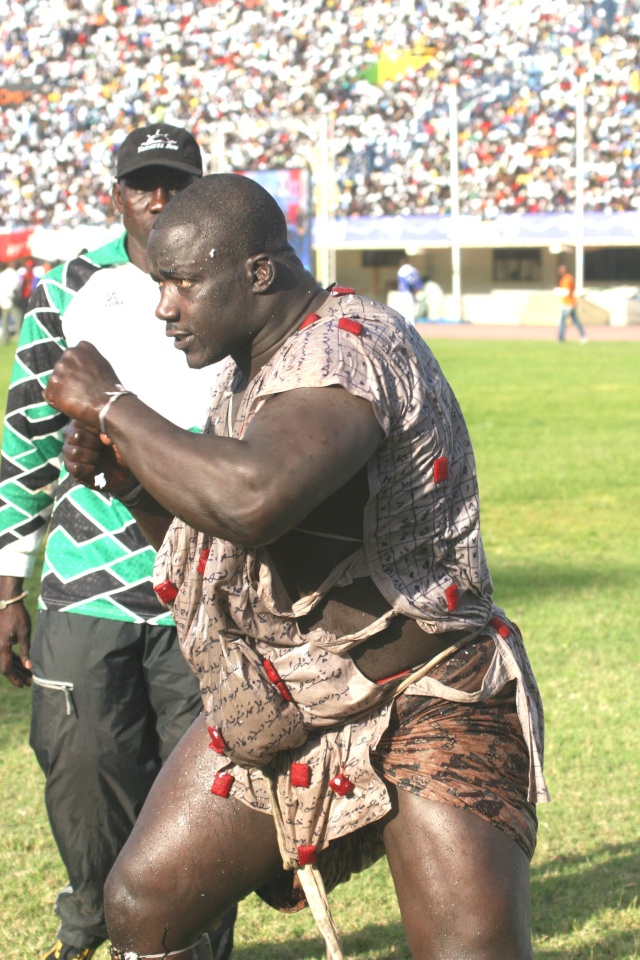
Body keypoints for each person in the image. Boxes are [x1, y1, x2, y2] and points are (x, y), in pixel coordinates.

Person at [43, 173, 549, 960]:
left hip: (426, 697)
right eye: (156, 284)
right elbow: (229, 547)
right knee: (145, 906)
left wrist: (113, 406)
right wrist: (132, 481)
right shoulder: (250, 369)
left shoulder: (346, 349)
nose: (163, 307)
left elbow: (255, 498)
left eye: (181, 283)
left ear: (257, 273)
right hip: (285, 700)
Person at [0, 126, 236, 960]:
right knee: (82, 769)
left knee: (206, 789)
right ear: (116, 195)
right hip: (83, 585)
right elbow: (27, 437)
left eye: (177, 182)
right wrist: (6, 585)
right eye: (144, 184)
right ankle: (92, 921)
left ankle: (189, 943)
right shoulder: (72, 281)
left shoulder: (232, 277)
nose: (161, 199)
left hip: (205, 584)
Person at [556, 263, 588, 342]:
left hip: (569, 303)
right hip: (566, 303)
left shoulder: (567, 278)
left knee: (562, 321)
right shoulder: (563, 279)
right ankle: (583, 336)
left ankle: (560, 338)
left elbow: (566, 292)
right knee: (575, 320)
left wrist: (557, 291)